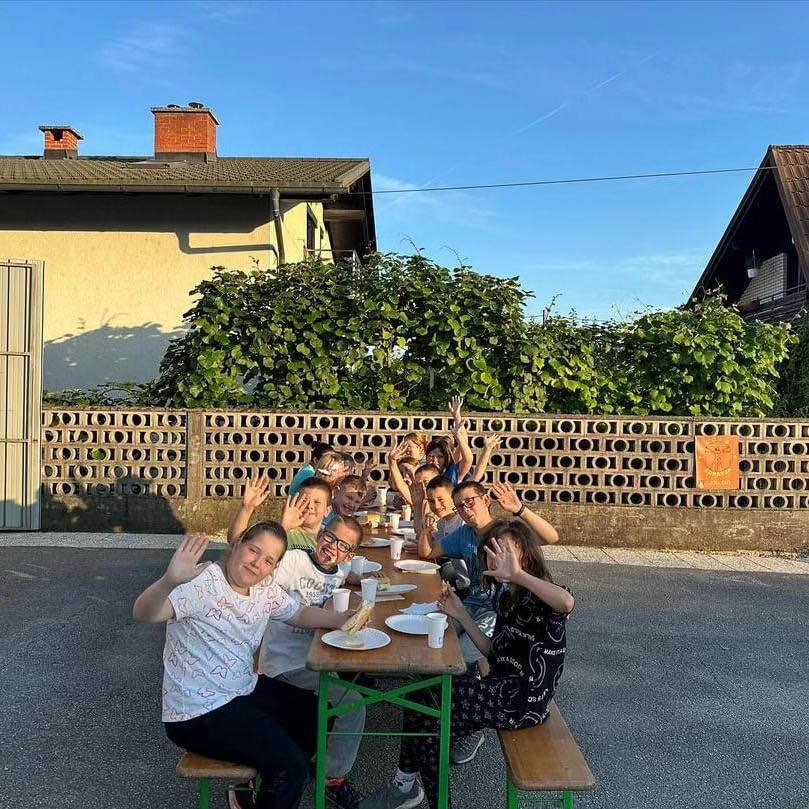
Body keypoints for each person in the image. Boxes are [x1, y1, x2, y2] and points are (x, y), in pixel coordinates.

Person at [133, 528, 354, 809]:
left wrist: (339, 620)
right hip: (196, 711)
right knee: (291, 769)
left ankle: (262, 786)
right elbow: (144, 613)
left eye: (269, 560)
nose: (257, 563)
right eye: (254, 550)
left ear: (274, 567)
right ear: (237, 544)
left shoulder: (264, 590)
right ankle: (280, 778)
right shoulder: (202, 581)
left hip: (242, 689)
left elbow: (297, 612)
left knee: (316, 714)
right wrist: (169, 581)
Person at [360, 520, 574, 809]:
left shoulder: (540, 596)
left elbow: (566, 603)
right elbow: (492, 652)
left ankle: (419, 793)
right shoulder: (506, 597)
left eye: (504, 550)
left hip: (523, 702)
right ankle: (404, 784)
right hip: (498, 688)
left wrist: (519, 575)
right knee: (419, 697)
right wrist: (460, 613)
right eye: (489, 551)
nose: (494, 557)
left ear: (526, 555)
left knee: (430, 721)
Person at [228, 489, 367, 809]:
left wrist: (368, 585)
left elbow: (348, 575)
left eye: (342, 545)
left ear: (349, 555)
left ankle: (297, 768)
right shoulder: (293, 561)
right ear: (320, 533)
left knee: (333, 701)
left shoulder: (340, 573)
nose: (332, 547)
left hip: (315, 660)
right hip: (285, 663)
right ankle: (332, 777)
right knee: (353, 702)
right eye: (329, 537)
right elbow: (247, 560)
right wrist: (280, 525)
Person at [417, 478, 559, 763]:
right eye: (460, 506)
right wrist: (423, 525)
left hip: (497, 615)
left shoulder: (506, 533)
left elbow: (551, 537)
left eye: (470, 501)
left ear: (486, 500)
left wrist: (520, 509)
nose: (465, 509)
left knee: (457, 658)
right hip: (469, 606)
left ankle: (468, 725)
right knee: (430, 640)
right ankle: (436, 709)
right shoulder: (464, 533)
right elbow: (428, 553)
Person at [280, 477, 334, 551]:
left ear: (327, 510)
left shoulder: (330, 541)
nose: (309, 506)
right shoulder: (286, 532)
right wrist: (284, 527)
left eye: (317, 502)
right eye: (304, 501)